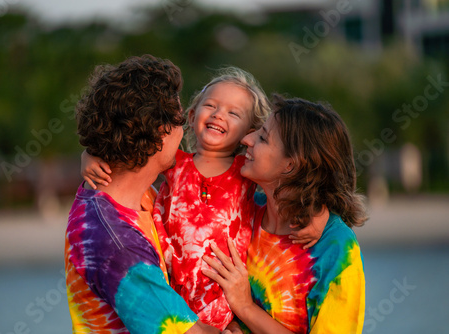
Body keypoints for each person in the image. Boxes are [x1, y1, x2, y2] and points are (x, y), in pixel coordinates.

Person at [81, 69, 325, 331]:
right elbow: (127, 155)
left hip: (222, 299)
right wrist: (88, 156)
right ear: (191, 115)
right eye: (210, 105)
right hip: (173, 293)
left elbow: (294, 185)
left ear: (249, 133)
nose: (219, 114)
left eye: (233, 113)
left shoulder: (245, 172)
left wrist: (319, 214)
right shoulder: (174, 163)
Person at [64, 55, 219, 333]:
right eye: (179, 121)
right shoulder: (119, 245)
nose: (183, 131)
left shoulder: (115, 189)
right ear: (160, 133)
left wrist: (88, 152)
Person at [203, 95, 368, 334]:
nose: (246, 140)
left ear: (291, 165)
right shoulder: (240, 210)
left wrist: (247, 308)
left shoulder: (336, 249)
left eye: (262, 137)